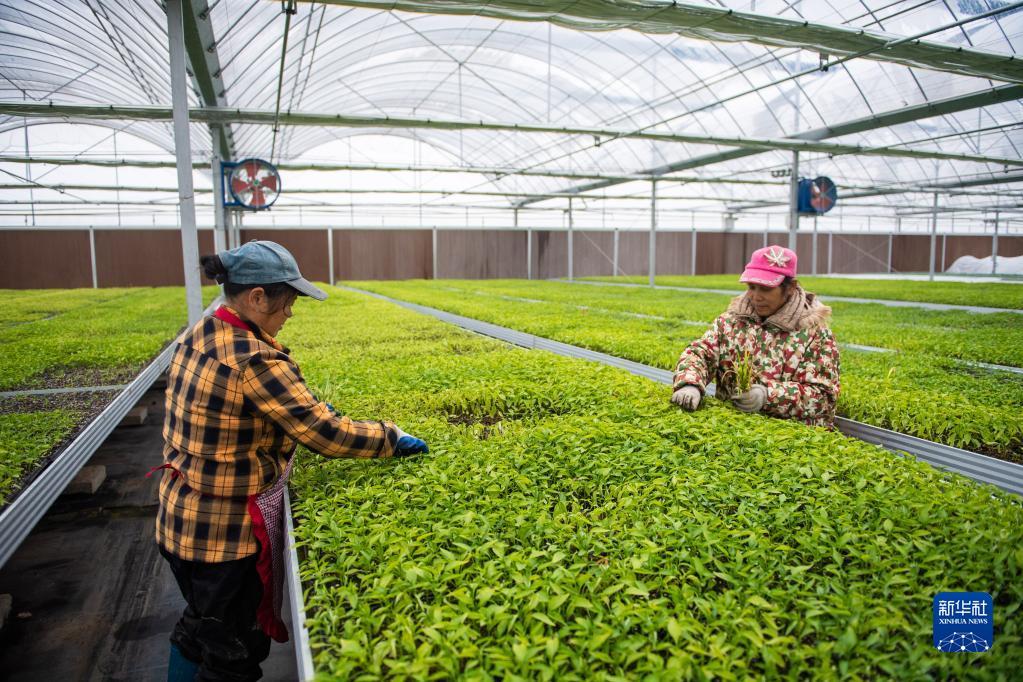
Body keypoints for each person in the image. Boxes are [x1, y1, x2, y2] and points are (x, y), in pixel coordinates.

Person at [154, 240, 429, 681]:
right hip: (223, 539)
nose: (290, 313)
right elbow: (323, 432)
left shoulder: (200, 332)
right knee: (234, 656)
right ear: (257, 296)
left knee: (200, 626)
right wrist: (390, 438)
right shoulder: (255, 359)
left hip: (178, 521)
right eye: (288, 301)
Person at [671, 245, 840, 428]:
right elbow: (700, 353)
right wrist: (690, 383)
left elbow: (823, 397)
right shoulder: (730, 322)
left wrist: (768, 396)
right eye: (751, 287)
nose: (756, 296)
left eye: (766, 289)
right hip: (732, 431)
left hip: (786, 439)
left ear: (790, 287)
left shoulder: (815, 334)